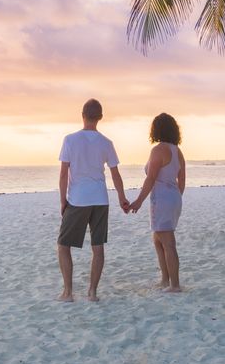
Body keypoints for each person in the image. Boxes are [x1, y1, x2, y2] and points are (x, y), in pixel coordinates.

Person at [56, 98, 127, 302]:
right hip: (100, 199)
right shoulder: (106, 143)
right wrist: (122, 198)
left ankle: (68, 292)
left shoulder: (70, 140)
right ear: (100, 118)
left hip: (78, 199)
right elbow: (115, 174)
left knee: (63, 245)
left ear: (82, 115)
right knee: (98, 247)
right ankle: (92, 292)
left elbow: (63, 175)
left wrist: (63, 200)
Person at [129, 113, 186, 293]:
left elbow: (151, 178)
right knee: (158, 239)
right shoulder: (177, 151)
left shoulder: (158, 150)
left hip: (162, 198)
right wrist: (177, 196)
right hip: (173, 196)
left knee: (168, 242)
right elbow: (182, 178)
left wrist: (138, 201)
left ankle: (174, 284)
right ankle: (165, 279)